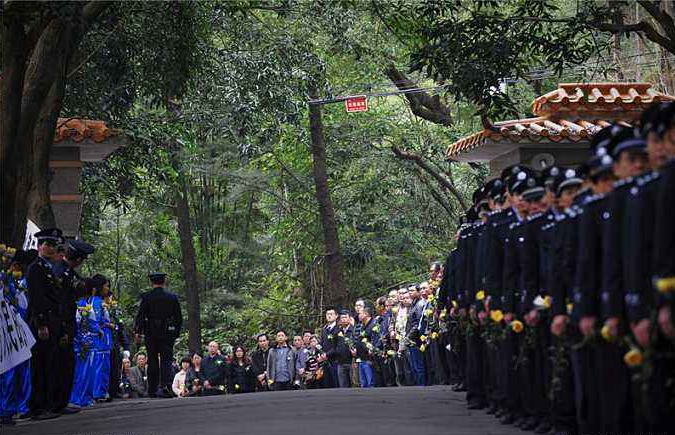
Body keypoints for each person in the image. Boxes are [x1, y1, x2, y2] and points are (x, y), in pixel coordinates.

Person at [27, 228, 66, 420]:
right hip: (42, 323)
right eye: (47, 244)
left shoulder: (47, 268)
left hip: (52, 322)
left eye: (53, 245)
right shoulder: (36, 268)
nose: (51, 248)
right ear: (38, 246)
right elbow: (36, 298)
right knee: (40, 365)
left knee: (49, 365)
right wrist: (41, 323)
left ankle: (47, 405)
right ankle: (38, 407)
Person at [54, 240, 94, 414]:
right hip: (61, 323)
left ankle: (62, 401)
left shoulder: (69, 273)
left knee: (67, 365)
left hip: (68, 323)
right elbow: (60, 302)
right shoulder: (59, 272)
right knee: (59, 365)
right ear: (78, 259)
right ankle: (55, 402)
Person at [134, 272, 182, 398]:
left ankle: (152, 389)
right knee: (166, 360)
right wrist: (176, 333)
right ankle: (165, 386)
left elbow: (140, 316)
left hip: (151, 332)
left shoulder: (147, 297)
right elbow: (178, 317)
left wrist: (138, 332)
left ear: (152, 282)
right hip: (167, 332)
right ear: (163, 282)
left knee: (153, 359)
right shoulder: (172, 297)